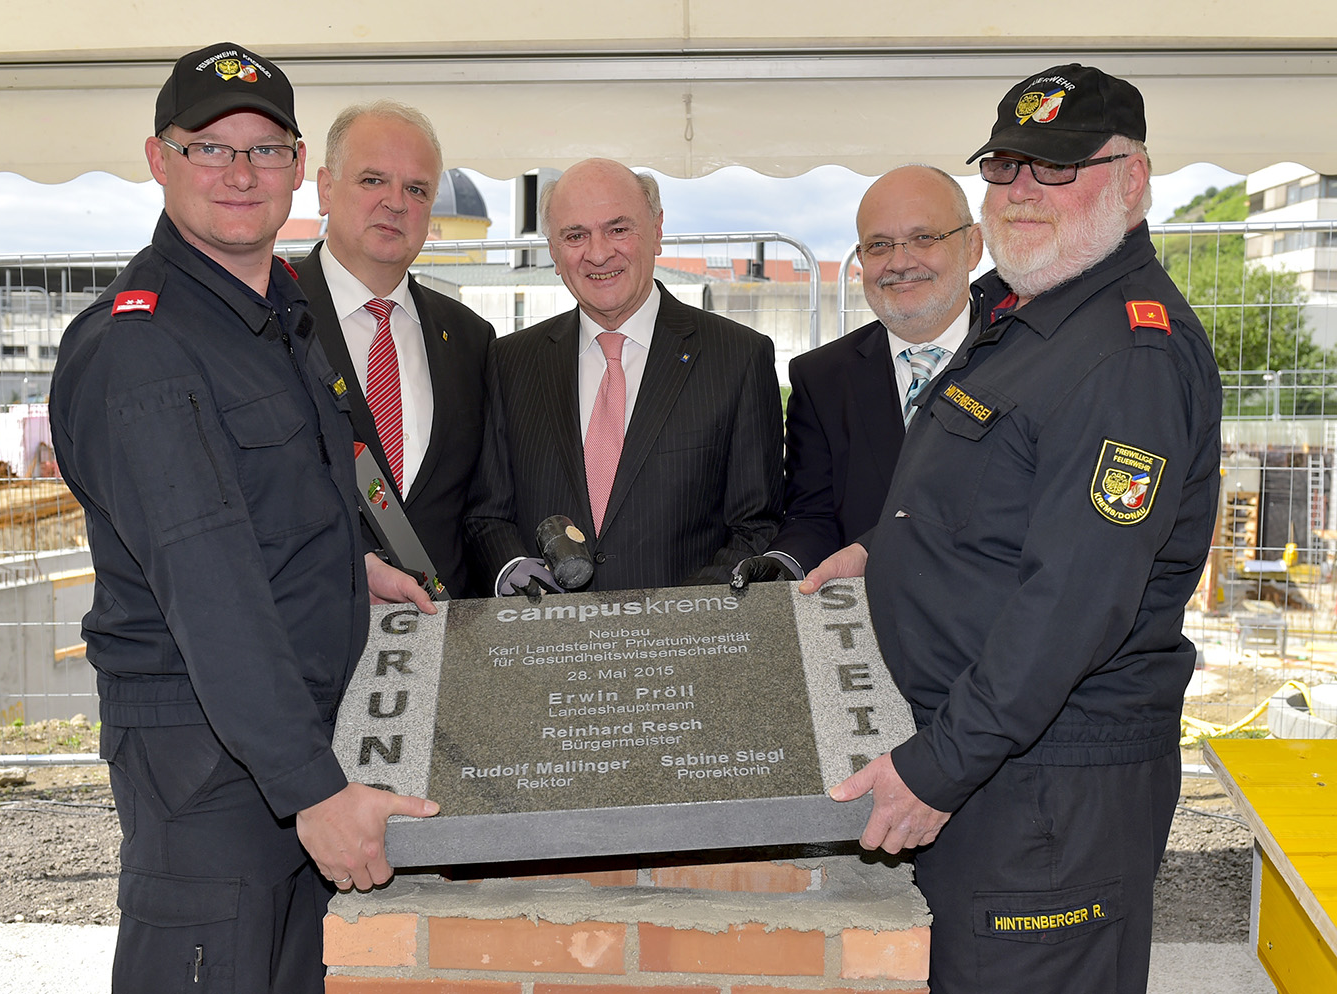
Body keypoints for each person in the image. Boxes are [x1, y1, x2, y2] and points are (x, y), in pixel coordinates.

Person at [817, 64, 1223, 993]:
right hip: (999, 763)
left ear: (1132, 178)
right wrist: (883, 558)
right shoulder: (1030, 313)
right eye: (1006, 167)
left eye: (1058, 166)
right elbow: (1002, 506)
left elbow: (1075, 601)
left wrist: (935, 771)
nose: (1022, 190)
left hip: (1045, 787)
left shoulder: (1127, 350)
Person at [49, 42, 438, 992]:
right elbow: (210, 589)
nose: (239, 173)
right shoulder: (141, 347)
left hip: (290, 748)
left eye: (263, 150)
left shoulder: (274, 316)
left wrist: (357, 569)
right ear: (158, 159)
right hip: (215, 776)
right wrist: (313, 790)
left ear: (299, 168)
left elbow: (281, 506)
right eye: (208, 149)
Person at [465, 158, 783, 592]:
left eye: (618, 229)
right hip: (547, 645)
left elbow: (755, 525)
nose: (598, 253)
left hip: (683, 645)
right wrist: (510, 568)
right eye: (575, 236)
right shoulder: (509, 361)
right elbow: (487, 514)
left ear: (657, 230)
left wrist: (672, 620)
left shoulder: (739, 357)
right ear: (554, 253)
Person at [737, 165, 981, 583]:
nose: (900, 262)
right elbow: (813, 517)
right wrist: (784, 563)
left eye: (924, 238)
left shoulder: (1028, 356)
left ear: (973, 246)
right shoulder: (822, 378)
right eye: (879, 244)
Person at [293, 101, 495, 597]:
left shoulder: (472, 339)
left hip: (447, 643)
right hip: (307, 644)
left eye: (416, 189)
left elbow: (482, 506)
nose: (396, 202)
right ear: (324, 189)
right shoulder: (265, 320)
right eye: (372, 180)